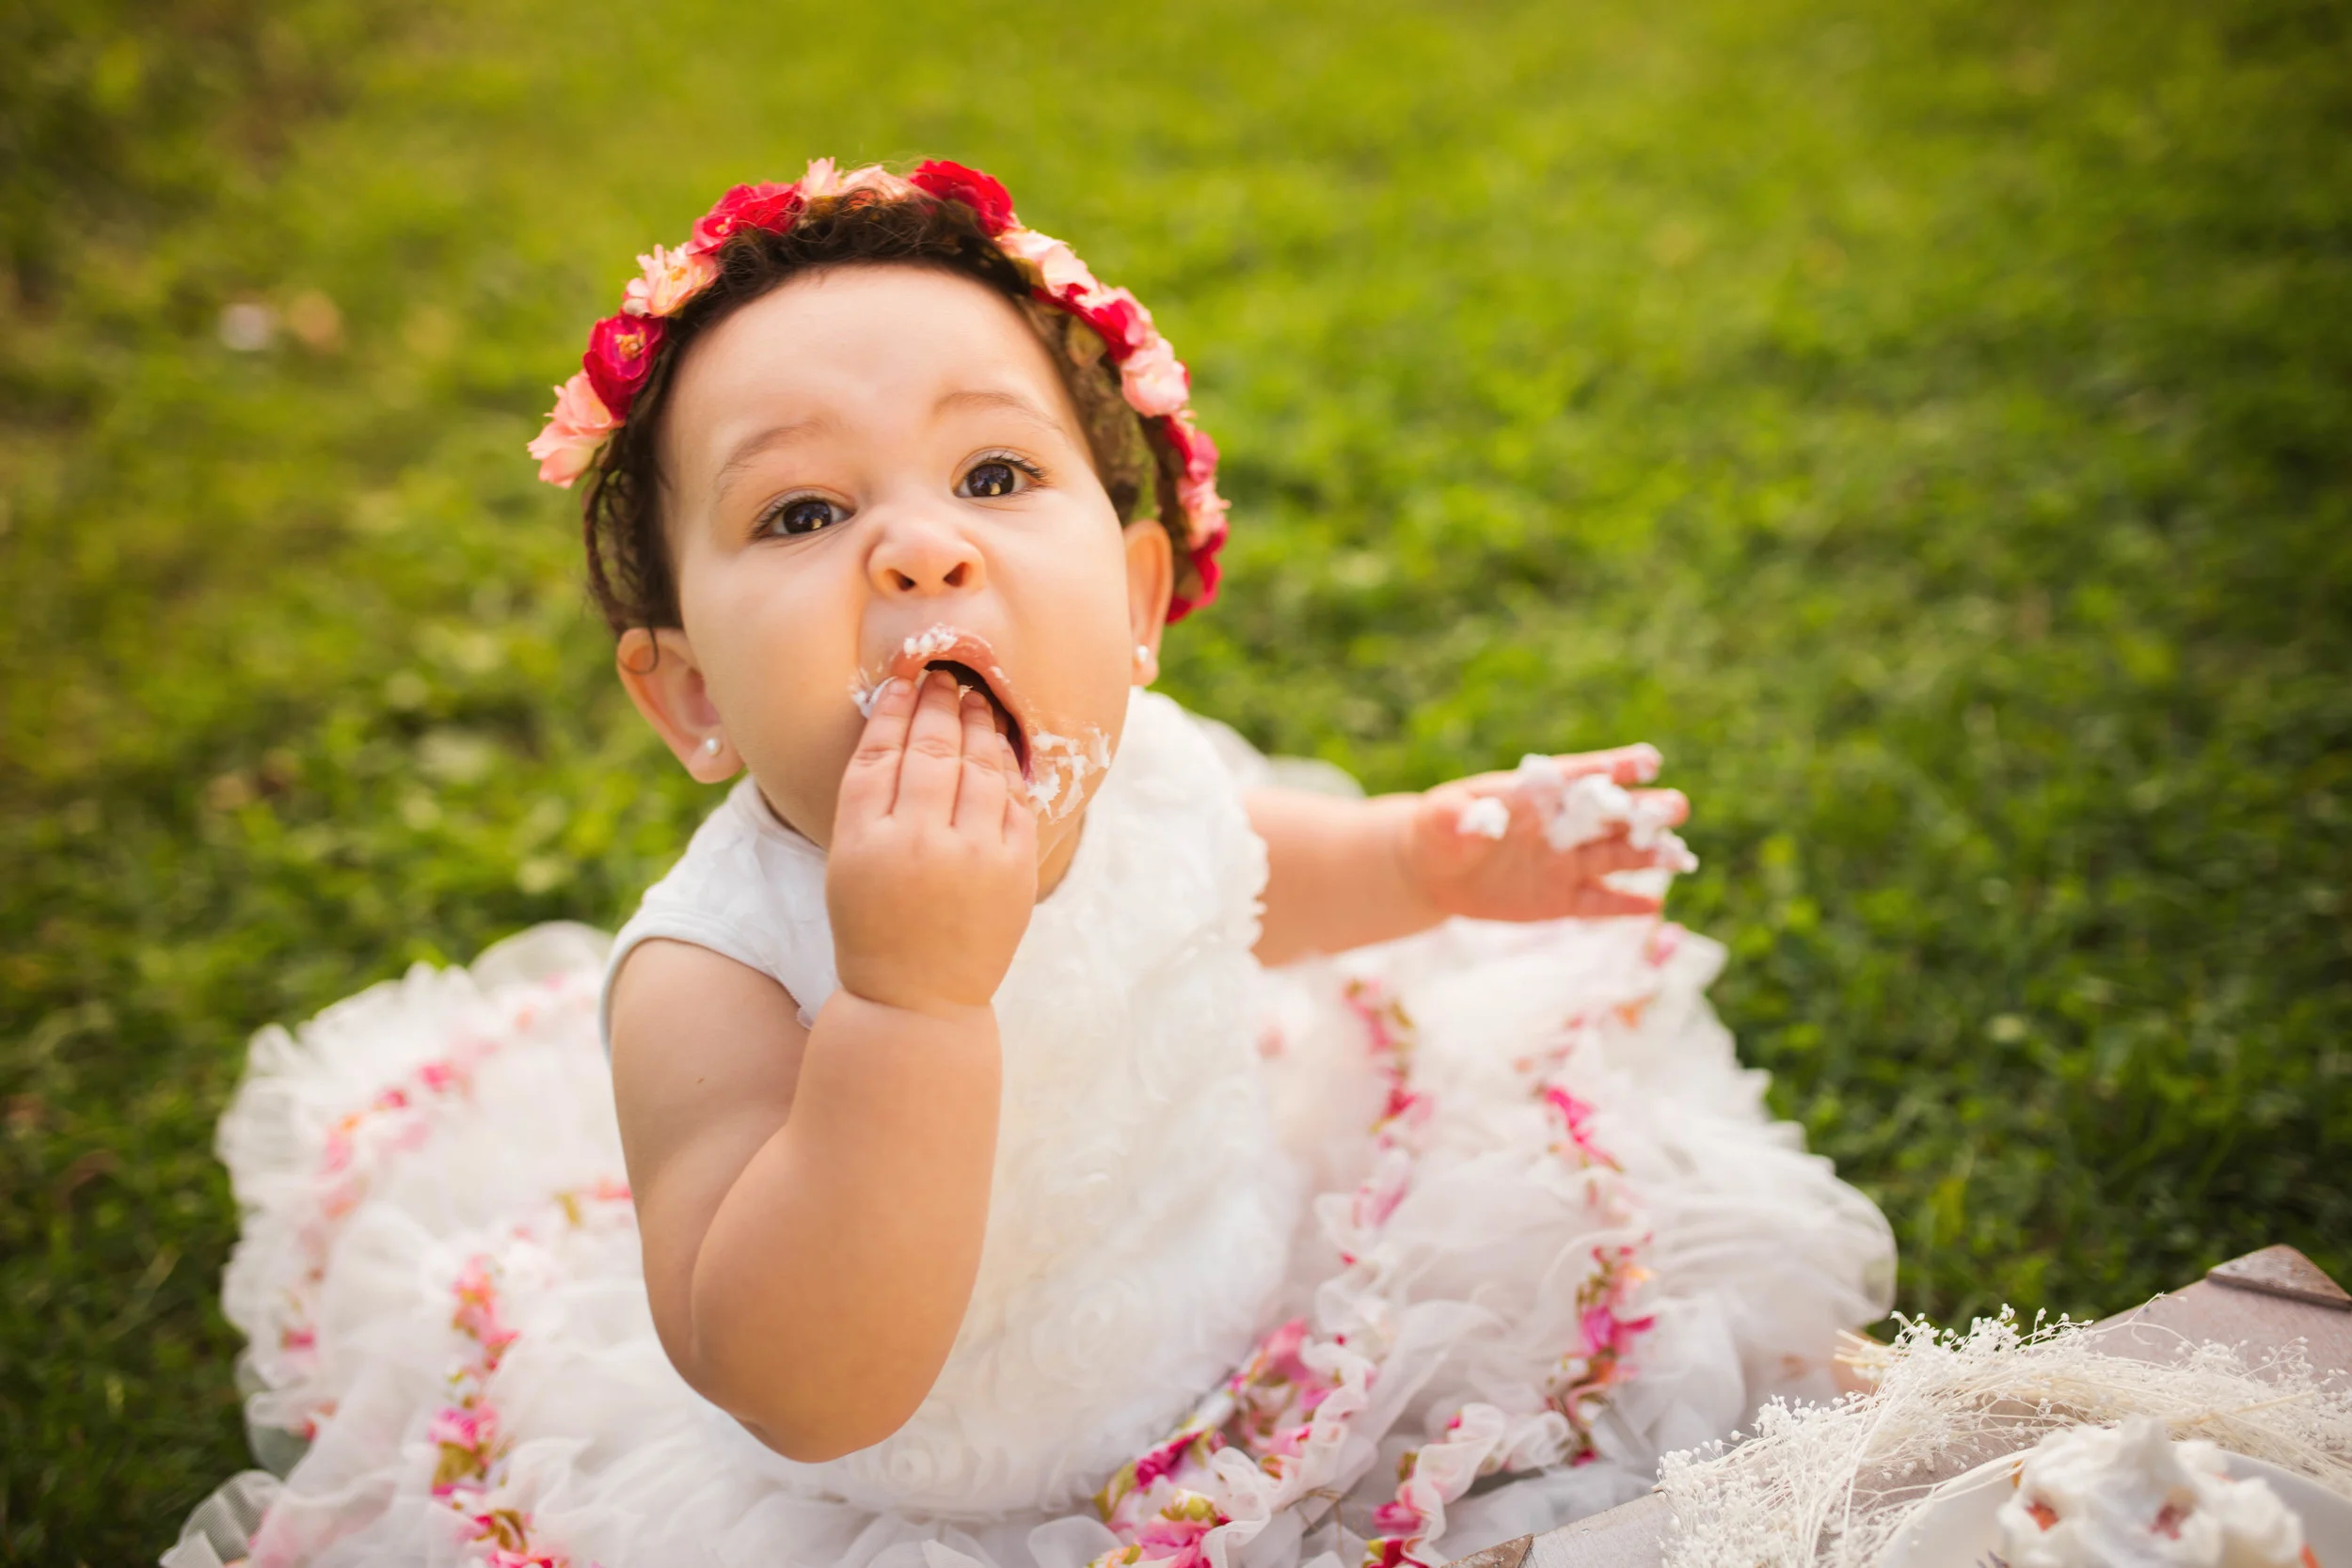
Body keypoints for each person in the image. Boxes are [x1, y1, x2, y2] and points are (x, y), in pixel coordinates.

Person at [167, 159, 1896, 1568]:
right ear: (688, 695)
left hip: (1247, 1300)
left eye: (993, 472)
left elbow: (1243, 873)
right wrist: (907, 995)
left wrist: (1431, 859)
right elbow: (800, 1376)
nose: (919, 548)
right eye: (802, 512)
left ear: (1139, 601)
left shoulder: (1144, 764)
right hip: (929, 1501)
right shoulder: (712, 979)